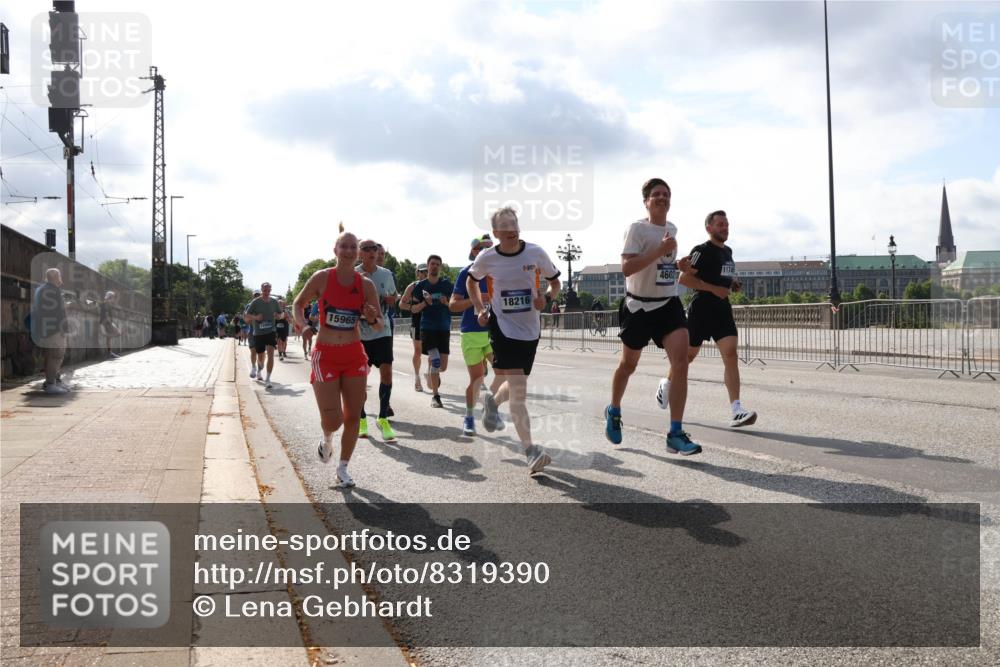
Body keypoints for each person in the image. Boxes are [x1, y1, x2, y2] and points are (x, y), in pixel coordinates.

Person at [604, 178, 702, 455]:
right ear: (646, 201)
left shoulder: (672, 229)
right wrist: (658, 250)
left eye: (666, 194)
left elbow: (665, 267)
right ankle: (613, 410)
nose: (662, 198)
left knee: (681, 362)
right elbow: (627, 268)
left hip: (668, 304)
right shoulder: (637, 229)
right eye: (656, 194)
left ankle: (675, 432)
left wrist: (678, 264)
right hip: (638, 307)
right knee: (628, 365)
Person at [467, 207, 561, 475]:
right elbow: (472, 283)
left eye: (514, 223)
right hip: (502, 328)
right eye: (505, 225)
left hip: (530, 329)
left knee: (517, 383)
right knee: (519, 389)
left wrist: (548, 298)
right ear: (496, 233)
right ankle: (531, 451)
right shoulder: (487, 258)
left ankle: (492, 402)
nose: (511, 228)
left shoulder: (536, 253)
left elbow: (556, 284)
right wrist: (479, 308)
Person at [293, 231, 384, 488]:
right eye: (343, 246)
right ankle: (327, 439)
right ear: (335, 249)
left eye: (352, 247)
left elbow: (379, 325)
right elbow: (298, 304)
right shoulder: (322, 278)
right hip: (325, 355)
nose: (347, 251)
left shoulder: (366, 285)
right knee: (334, 420)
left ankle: (343, 468)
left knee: (354, 415)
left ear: (357, 252)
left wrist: (371, 316)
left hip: (354, 354)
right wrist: (304, 326)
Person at [669, 210, 757, 428]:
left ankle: (736, 409)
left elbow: (723, 275)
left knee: (731, 355)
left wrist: (732, 283)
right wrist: (714, 289)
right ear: (709, 228)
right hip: (701, 309)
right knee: (687, 358)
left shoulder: (728, 251)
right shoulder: (701, 250)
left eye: (727, 224)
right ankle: (668, 385)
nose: (725, 228)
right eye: (720, 225)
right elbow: (685, 278)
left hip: (722, 310)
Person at [450, 233, 506, 437]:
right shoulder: (466, 273)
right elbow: (453, 305)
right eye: (481, 248)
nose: (486, 251)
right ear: (473, 252)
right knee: (476, 379)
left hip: (495, 332)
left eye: (490, 247)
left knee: (504, 372)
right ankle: (468, 417)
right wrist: (476, 300)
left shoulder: (498, 273)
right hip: (472, 332)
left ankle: (490, 407)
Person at [356, 238, 399, 442]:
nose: (372, 251)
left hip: (382, 330)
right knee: (360, 380)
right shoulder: (353, 274)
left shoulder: (386, 274)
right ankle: (362, 418)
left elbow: (393, 296)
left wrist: (392, 300)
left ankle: (382, 418)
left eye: (374, 248)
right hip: (360, 334)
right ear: (359, 253)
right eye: (367, 248)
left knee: (387, 372)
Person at [410, 255, 453, 408]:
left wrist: (447, 302)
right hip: (427, 327)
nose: (434, 266)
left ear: (440, 267)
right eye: (432, 264)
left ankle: (430, 372)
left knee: (443, 366)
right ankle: (436, 396)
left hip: (443, 327)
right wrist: (424, 303)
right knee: (435, 360)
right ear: (428, 266)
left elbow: (455, 306)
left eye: (437, 264)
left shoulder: (447, 285)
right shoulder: (420, 286)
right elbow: (413, 309)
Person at [32, 268, 69, 394]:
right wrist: (63, 328)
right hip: (54, 329)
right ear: (55, 277)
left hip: (44, 328)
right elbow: (58, 312)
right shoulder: (53, 291)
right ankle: (51, 384)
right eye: (59, 276)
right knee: (56, 355)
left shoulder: (40, 289)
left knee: (50, 355)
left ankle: (54, 381)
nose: (61, 279)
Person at [246, 283, 282, 389]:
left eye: (268, 290)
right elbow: (247, 315)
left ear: (270, 290)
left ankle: (268, 379)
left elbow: (280, 315)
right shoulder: (255, 302)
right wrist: (256, 317)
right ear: (261, 290)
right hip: (258, 333)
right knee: (260, 357)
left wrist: (278, 316)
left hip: (271, 331)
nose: (266, 293)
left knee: (270, 353)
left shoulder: (274, 302)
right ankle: (259, 366)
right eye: (264, 290)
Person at [399, 264, 428, 392]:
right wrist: (412, 307)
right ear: (417, 273)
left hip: (432, 322)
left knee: (434, 351)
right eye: (422, 271)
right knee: (418, 351)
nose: (425, 273)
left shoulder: (434, 285)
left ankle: (429, 372)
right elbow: (401, 304)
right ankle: (417, 377)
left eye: (427, 271)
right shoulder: (413, 286)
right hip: (417, 322)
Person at [99, 291, 121, 358]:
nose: (113, 299)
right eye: (113, 297)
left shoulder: (107, 304)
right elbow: (105, 313)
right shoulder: (105, 304)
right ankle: (109, 353)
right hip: (106, 322)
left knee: (109, 338)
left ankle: (109, 353)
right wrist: (110, 322)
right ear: (110, 297)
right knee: (118, 333)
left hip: (106, 322)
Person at [245, 290, 261, 373]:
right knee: (253, 351)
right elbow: (247, 320)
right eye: (255, 295)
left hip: (262, 333)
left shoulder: (264, 305)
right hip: (251, 332)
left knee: (261, 353)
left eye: (258, 295)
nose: (257, 297)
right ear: (253, 296)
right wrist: (256, 318)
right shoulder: (248, 306)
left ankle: (259, 371)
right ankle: (254, 367)